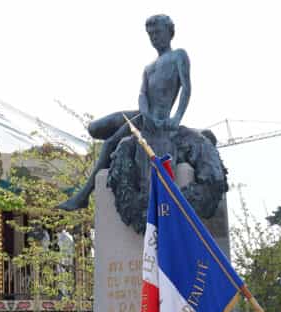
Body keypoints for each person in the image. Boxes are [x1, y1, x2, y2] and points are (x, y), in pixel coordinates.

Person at [58, 14, 190, 211]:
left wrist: (176, 117)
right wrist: (145, 113)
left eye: (158, 33)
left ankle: (83, 196)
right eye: (150, 34)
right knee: (95, 128)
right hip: (143, 114)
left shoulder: (178, 55)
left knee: (110, 143)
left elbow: (186, 87)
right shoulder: (149, 67)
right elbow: (142, 93)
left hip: (158, 120)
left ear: (170, 33)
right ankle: (84, 194)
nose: (154, 37)